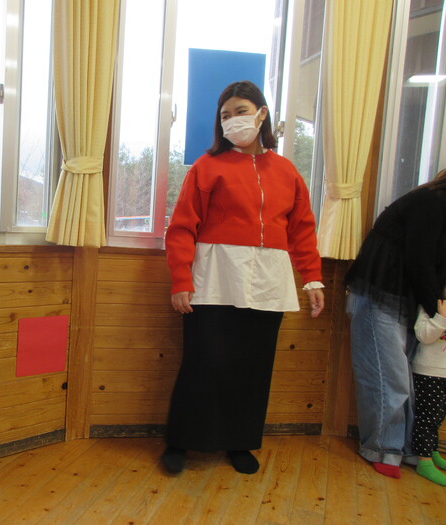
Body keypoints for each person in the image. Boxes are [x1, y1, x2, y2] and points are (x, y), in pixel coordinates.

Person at [162, 80, 325, 475]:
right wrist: (181, 279)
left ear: (261, 114)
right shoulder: (206, 167)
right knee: (203, 362)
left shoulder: (286, 171)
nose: (232, 120)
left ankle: (239, 442)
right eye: (225, 115)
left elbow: (302, 229)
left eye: (240, 111)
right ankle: (181, 441)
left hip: (269, 281)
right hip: (215, 278)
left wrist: (313, 278)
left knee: (253, 366)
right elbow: (181, 228)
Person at [345, 170, 446, 479]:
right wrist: (439, 313)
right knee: (388, 375)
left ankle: (412, 448)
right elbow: (420, 260)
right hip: (381, 290)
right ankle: (382, 447)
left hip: (409, 297)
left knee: (409, 380)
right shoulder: (432, 201)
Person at [412, 295, 446, 485]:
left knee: (438, 416)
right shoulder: (430, 304)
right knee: (427, 418)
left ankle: (433, 452)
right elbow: (423, 335)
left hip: (443, 372)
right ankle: (424, 461)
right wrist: (441, 318)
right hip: (428, 371)